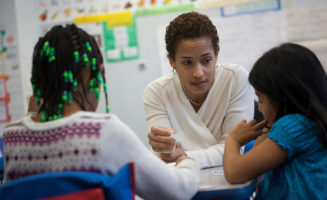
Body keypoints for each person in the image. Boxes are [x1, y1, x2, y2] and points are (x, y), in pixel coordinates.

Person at [2, 24, 200, 200]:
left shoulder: (12, 137)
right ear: (96, 76)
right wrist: (185, 160)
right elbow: (178, 191)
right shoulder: (101, 133)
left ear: (37, 80)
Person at [143, 11, 254, 169]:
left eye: (206, 60)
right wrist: (163, 148)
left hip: (228, 179)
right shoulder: (157, 92)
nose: (198, 73)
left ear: (216, 55)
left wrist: (184, 156)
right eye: (187, 63)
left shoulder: (235, 79)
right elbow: (167, 155)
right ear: (172, 61)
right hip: (181, 181)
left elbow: (234, 149)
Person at [223, 43, 327, 200]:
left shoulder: (294, 126)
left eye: (261, 99)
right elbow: (256, 166)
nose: (259, 109)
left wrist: (233, 139)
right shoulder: (308, 124)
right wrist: (268, 131)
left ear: (282, 100)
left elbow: (235, 173)